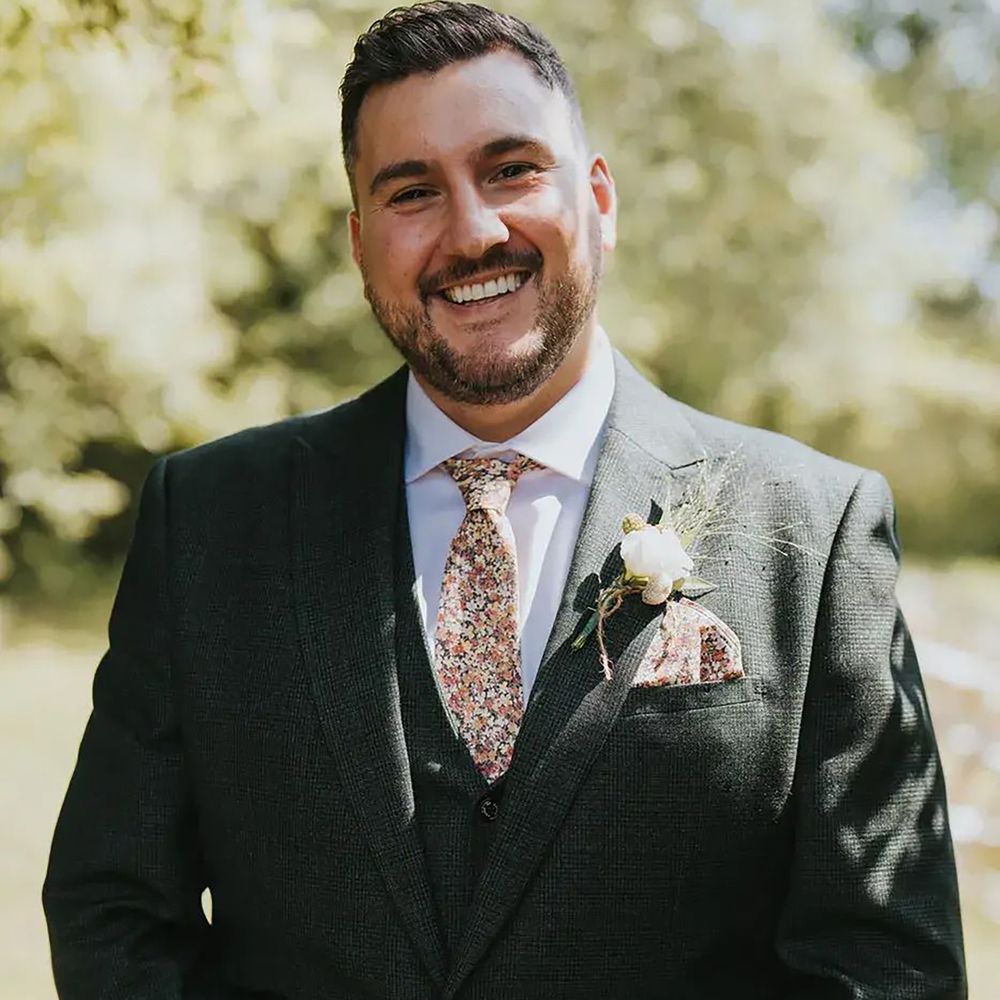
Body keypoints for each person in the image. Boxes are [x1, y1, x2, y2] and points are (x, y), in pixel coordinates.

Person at [43, 3, 967, 998]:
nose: (472, 232)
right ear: (359, 242)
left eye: (512, 169)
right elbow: (114, 913)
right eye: (412, 192)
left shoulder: (815, 529)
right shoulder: (208, 519)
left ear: (599, 199)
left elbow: (887, 962)